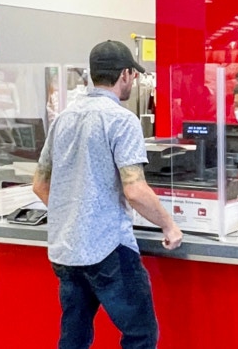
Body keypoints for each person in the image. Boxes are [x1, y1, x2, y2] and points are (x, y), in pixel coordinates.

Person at [32, 40, 183, 349]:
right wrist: (169, 225)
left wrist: (75, 211)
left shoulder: (63, 118)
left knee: (73, 338)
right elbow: (135, 189)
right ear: (125, 74)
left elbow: (40, 184)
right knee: (140, 336)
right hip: (108, 251)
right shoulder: (122, 120)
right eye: (134, 74)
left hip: (66, 251)